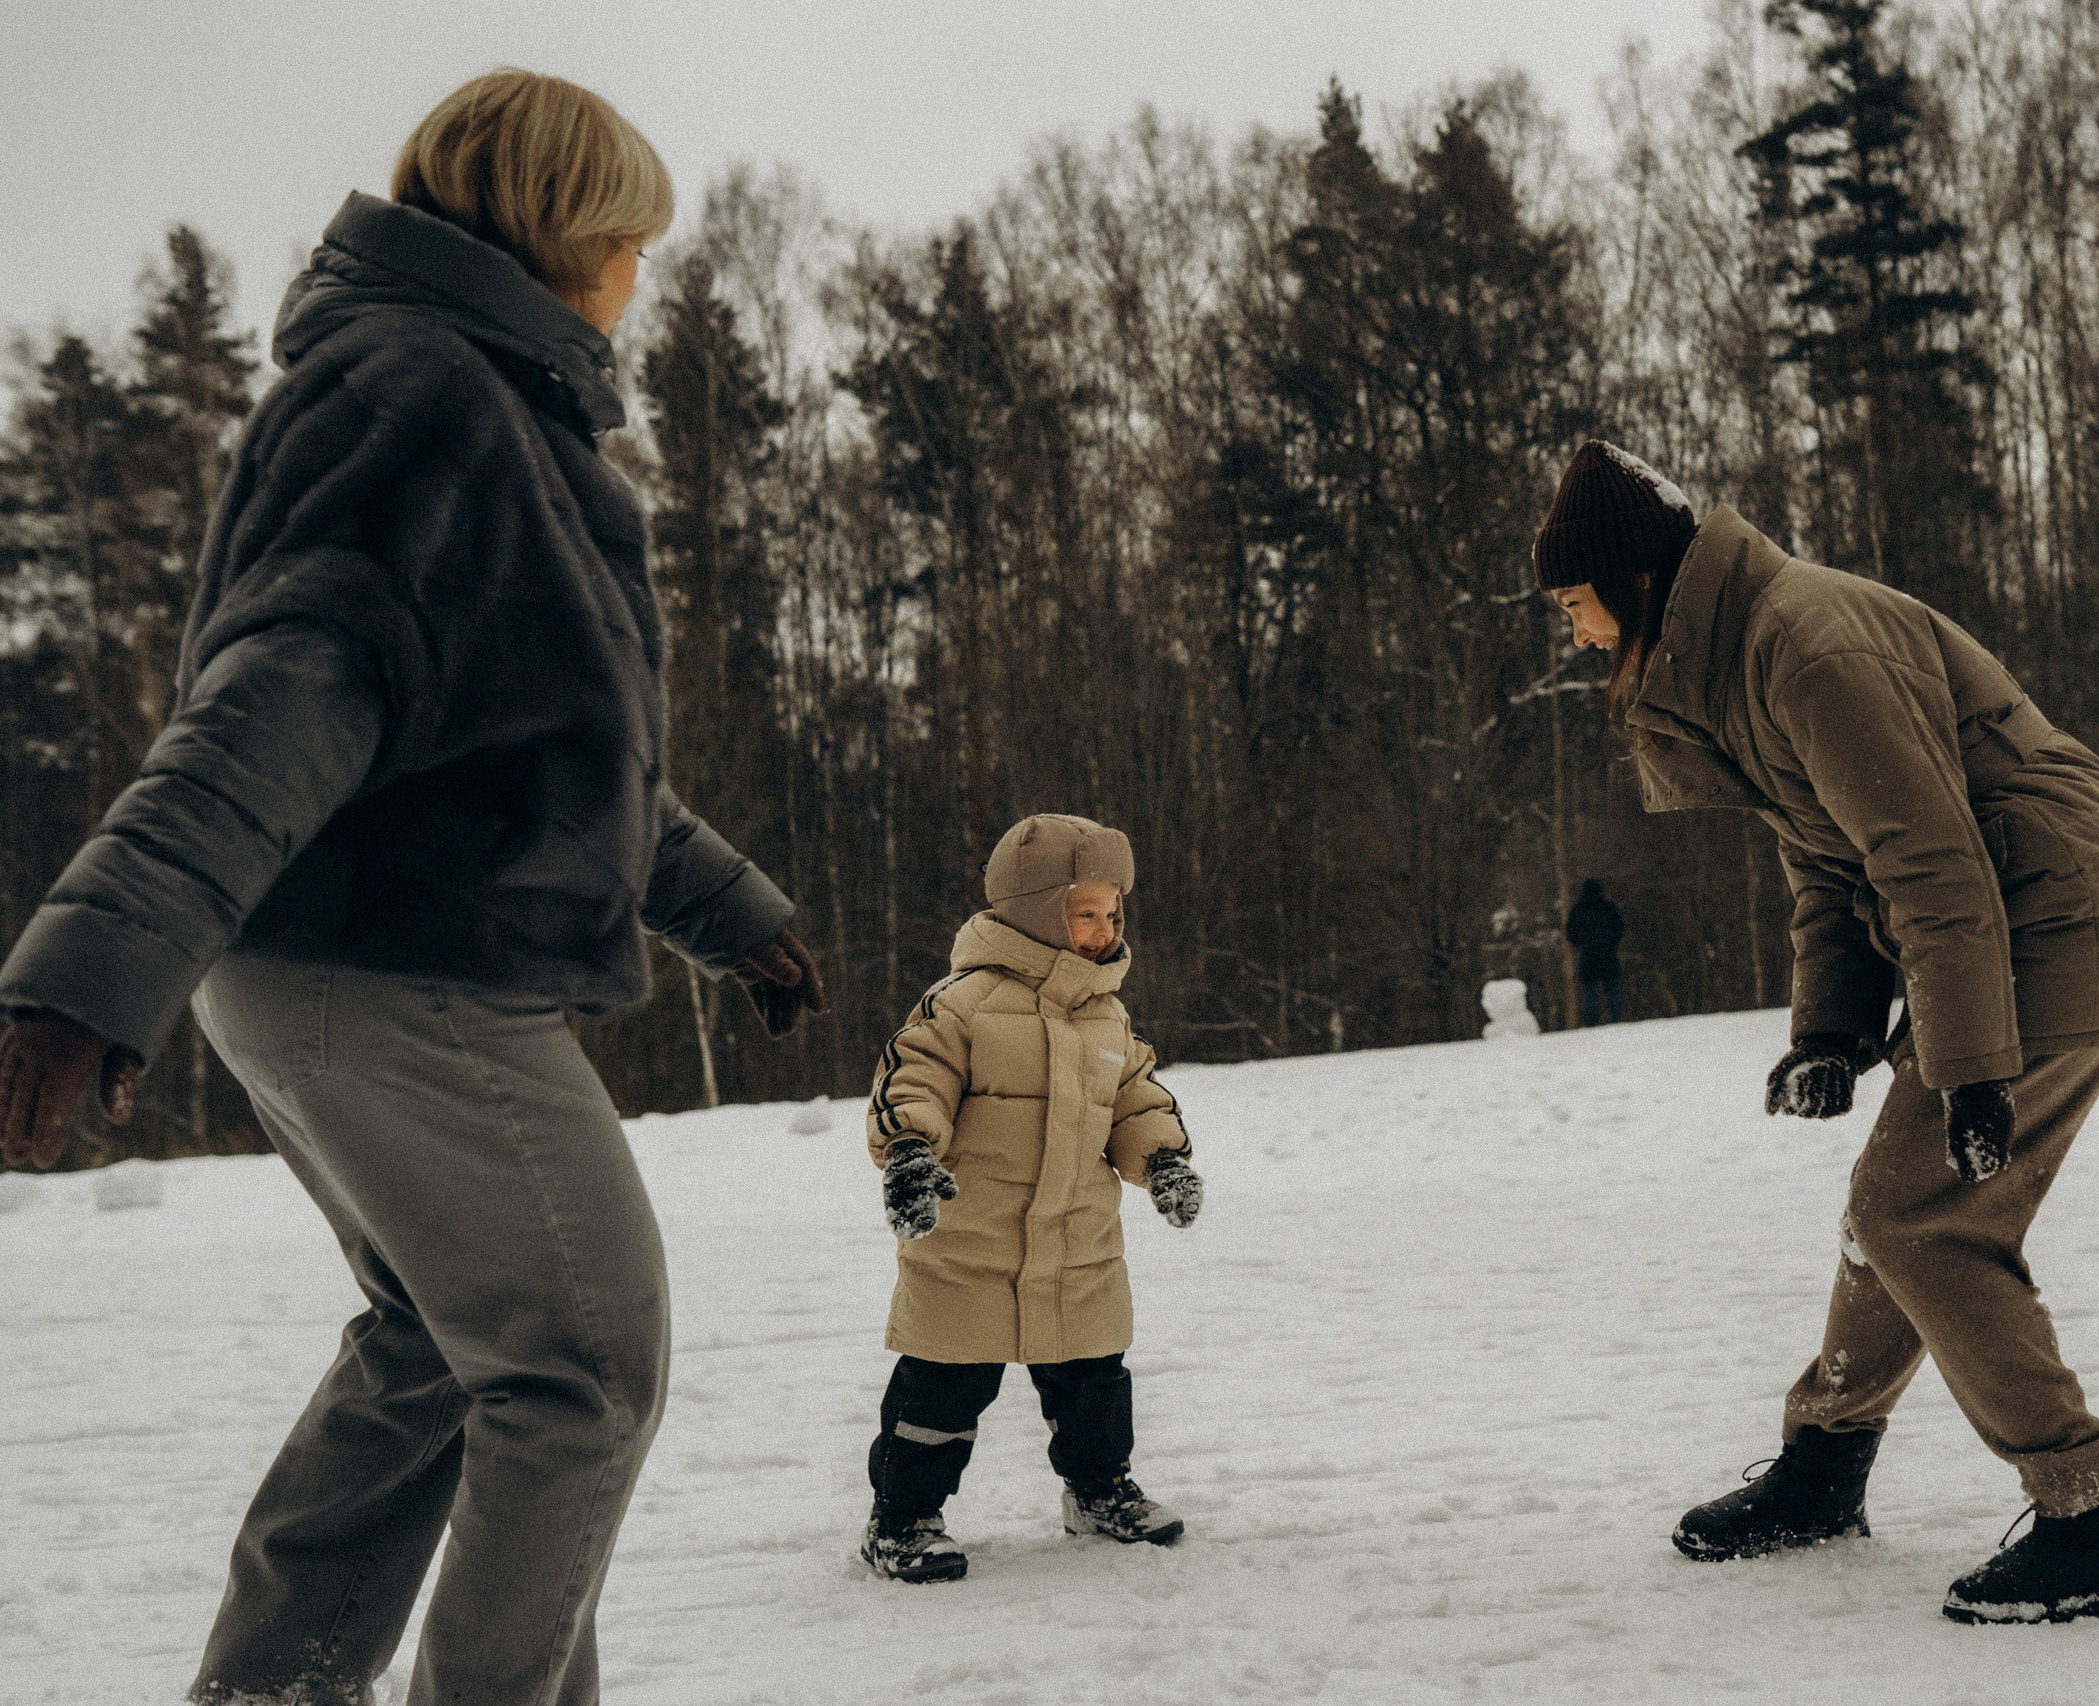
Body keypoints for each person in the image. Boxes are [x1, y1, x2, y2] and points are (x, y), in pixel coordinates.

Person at [0, 71, 826, 1704]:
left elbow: (541, 753)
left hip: (331, 958)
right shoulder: (423, 394)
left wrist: (735, 911)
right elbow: (293, 684)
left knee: (438, 1352)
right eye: (630, 243)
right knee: (584, 1366)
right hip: (398, 975)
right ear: (566, 234)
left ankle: (275, 1687)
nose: (641, 279)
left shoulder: (466, 402)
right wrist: (93, 964)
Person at [1532, 440, 2099, 1625]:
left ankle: (2093, 1514)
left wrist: (1974, 1070)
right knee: (1886, 1210)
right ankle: (1822, 1465)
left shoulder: (1805, 643)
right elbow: (1829, 863)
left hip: (2053, 912)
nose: (1574, 638)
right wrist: (1830, 1031)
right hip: (2016, 914)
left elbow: (1932, 861)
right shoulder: (1744, 655)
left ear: (1636, 585)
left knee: (1920, 1215)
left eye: (1575, 607)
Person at [860, 812, 1203, 1583]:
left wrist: (1165, 1162)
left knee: (1094, 1381)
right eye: (1085, 911)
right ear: (1033, 911)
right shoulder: (963, 1003)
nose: (1103, 928)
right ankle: (902, 1519)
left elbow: (1136, 1100)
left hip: (1078, 1243)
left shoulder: (1106, 1014)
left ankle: (1097, 1491)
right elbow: (911, 1080)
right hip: (970, 1242)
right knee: (942, 1392)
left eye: (1113, 912)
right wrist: (911, 1154)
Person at [1565, 878, 1627, 1026]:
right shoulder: (1608, 907)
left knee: (1590, 993)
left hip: (1588, 957)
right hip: (1608, 955)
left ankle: (1592, 1023)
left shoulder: (1578, 910)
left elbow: (1570, 933)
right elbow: (1619, 928)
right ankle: (1616, 1019)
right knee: (1612, 990)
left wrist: (1581, 944)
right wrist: (1612, 942)